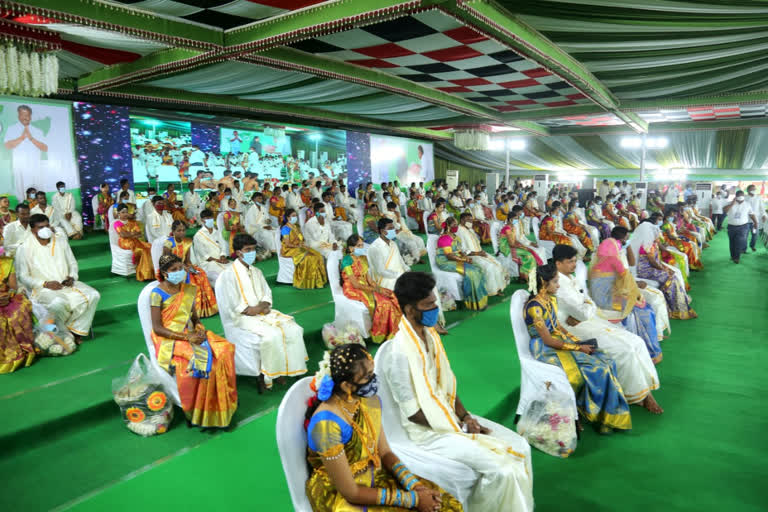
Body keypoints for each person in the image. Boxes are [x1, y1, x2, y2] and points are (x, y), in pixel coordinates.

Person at [382, 272, 533, 512]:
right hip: (428, 432)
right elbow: (412, 413)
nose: (435, 308)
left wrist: (466, 417)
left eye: (435, 302)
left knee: (520, 448)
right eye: (428, 305)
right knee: (502, 468)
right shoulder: (399, 353)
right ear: (410, 310)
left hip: (447, 419)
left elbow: (446, 388)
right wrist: (459, 426)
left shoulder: (429, 335)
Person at [305, 345, 462, 512]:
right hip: (343, 493)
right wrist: (413, 500)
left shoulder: (368, 400)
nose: (373, 380)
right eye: (367, 377)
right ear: (346, 386)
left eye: (372, 373)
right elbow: (350, 492)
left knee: (442, 504)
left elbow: (385, 452)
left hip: (376, 475)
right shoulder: (326, 426)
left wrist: (415, 486)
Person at [552, 245, 663, 412]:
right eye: (570, 262)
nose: (574, 265)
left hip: (588, 320)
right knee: (625, 349)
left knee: (636, 341)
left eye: (575, 261)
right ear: (558, 263)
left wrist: (585, 305)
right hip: (572, 328)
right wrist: (586, 305)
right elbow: (583, 309)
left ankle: (645, 391)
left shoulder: (569, 277)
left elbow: (585, 304)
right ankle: (639, 395)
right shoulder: (558, 282)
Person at [524, 263, 632, 434]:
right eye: (555, 282)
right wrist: (577, 348)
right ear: (544, 283)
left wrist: (577, 343)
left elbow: (556, 326)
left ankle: (603, 414)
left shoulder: (549, 299)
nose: (558, 285)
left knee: (607, 359)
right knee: (598, 368)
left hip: (559, 341)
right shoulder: (535, 307)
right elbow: (548, 339)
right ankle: (598, 417)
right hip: (546, 349)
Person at [150, 254, 237, 427]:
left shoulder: (188, 289)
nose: (179, 272)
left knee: (225, 350)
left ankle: (224, 402)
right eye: (173, 270)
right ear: (164, 273)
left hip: (190, 332)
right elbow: (157, 328)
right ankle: (202, 411)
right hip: (169, 338)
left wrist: (199, 330)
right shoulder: (157, 294)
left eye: (180, 268)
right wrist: (187, 337)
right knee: (206, 361)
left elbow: (195, 319)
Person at [218, 235, 308, 387]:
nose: (252, 252)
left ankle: (292, 368)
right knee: (272, 336)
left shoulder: (256, 271)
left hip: (263, 312)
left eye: (253, 249)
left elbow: (267, 293)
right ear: (238, 252)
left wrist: (262, 305)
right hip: (243, 318)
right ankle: (272, 374)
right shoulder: (227, 275)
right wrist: (253, 309)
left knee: (294, 329)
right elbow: (232, 304)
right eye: (248, 250)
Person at [16, 214, 100, 343]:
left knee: (94, 295)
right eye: (40, 227)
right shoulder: (24, 247)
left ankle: (74, 330)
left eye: (47, 226)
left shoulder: (61, 240)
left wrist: (72, 277)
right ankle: (66, 333)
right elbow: (23, 276)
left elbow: (72, 263)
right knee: (58, 303)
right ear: (32, 229)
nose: (45, 229)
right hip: (43, 289)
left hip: (67, 285)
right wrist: (45, 283)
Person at [589, 235, 661, 363]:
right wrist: (634, 295)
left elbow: (621, 284)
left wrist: (629, 293)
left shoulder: (597, 262)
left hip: (604, 299)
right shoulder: (612, 262)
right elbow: (625, 285)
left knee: (642, 305)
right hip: (607, 302)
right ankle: (651, 351)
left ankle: (650, 346)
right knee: (644, 310)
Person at [341, 235, 402, 343]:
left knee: (391, 295)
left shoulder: (363, 258)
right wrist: (376, 291)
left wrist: (378, 288)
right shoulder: (347, 261)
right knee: (383, 303)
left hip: (365, 285)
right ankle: (381, 334)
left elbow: (369, 279)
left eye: (362, 245)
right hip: (353, 288)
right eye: (358, 246)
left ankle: (394, 331)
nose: (361, 248)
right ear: (351, 248)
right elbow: (355, 284)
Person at [633, 222, 697, 320]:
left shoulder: (653, 243)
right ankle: (676, 308)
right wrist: (663, 269)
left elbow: (657, 260)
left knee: (674, 275)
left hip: (654, 268)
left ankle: (679, 304)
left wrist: (664, 268)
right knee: (670, 278)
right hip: (646, 270)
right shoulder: (646, 246)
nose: (656, 235)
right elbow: (652, 261)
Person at [162, 221, 218, 317]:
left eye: (183, 230)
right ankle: (192, 310)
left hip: (184, 267)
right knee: (191, 280)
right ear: (173, 231)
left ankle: (204, 309)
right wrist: (182, 267)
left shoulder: (187, 242)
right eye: (179, 231)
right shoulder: (168, 243)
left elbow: (187, 260)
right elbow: (166, 261)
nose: (182, 233)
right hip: (172, 269)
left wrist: (190, 267)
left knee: (201, 274)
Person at [436, 217, 488, 310]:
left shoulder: (456, 237)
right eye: (454, 225)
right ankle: (472, 302)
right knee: (471, 273)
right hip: (446, 262)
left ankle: (480, 298)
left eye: (456, 224)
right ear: (448, 226)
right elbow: (449, 255)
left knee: (478, 268)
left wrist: (465, 257)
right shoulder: (444, 238)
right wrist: (464, 260)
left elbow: (459, 251)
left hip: (457, 259)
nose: (456, 227)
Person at [0, 246, 36, 373]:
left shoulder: (7, 262)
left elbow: (13, 287)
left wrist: (8, 296)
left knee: (19, 311)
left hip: (5, 298)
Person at [456, 212, 509, 296]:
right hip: (471, 256)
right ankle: (490, 290)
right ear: (462, 220)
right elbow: (462, 250)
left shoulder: (470, 229)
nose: (470, 221)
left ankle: (498, 288)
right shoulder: (459, 231)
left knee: (498, 264)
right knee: (489, 267)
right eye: (468, 220)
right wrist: (478, 253)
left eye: (471, 219)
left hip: (479, 253)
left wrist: (481, 252)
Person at [3, 104, 48, 201]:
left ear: (30, 116)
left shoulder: (37, 130)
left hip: (35, 166)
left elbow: (45, 148)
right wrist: (22, 138)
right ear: (18, 116)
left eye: (27, 115)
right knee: (21, 191)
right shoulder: (12, 129)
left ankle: (38, 209)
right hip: (20, 166)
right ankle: (24, 209)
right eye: (22, 115)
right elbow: (7, 146)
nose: (25, 117)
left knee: (37, 190)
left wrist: (31, 138)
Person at [280, 209, 328, 289]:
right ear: (288, 218)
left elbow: (301, 239)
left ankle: (318, 281)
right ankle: (306, 283)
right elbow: (287, 243)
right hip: (289, 249)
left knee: (318, 255)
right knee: (309, 258)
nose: (295, 218)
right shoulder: (285, 228)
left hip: (299, 246)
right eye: (293, 216)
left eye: (296, 216)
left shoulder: (296, 226)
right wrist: (299, 246)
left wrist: (303, 244)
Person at [368, 217, 411, 292]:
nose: (393, 231)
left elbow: (400, 260)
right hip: (386, 280)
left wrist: (407, 269)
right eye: (390, 229)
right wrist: (400, 275)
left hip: (399, 275)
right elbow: (381, 271)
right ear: (382, 231)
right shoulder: (375, 248)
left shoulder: (393, 243)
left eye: (393, 228)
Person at [113, 204, 154, 281]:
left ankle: (151, 272)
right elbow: (123, 235)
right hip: (125, 242)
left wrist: (130, 234)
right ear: (118, 213)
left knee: (150, 247)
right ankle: (143, 274)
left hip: (135, 240)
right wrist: (133, 234)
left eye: (126, 212)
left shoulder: (132, 222)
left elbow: (139, 233)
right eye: (122, 212)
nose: (125, 214)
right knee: (143, 250)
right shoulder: (117, 223)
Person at [192, 209, 231, 285]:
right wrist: (218, 260)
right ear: (202, 220)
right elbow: (204, 255)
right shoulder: (198, 235)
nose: (209, 220)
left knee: (234, 269)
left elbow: (223, 245)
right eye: (207, 218)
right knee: (224, 274)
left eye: (211, 218)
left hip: (220, 260)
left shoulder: (216, 231)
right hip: (207, 263)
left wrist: (223, 256)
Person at [384, 201, 426, 266]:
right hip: (397, 233)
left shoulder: (397, 214)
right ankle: (416, 259)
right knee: (411, 243)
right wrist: (397, 217)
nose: (393, 210)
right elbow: (396, 227)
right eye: (391, 209)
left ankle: (417, 257)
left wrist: (398, 217)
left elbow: (402, 225)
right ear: (388, 209)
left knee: (419, 240)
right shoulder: (386, 216)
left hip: (406, 231)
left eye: (394, 208)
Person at [723, 190, 758, 264]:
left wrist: (755, 222)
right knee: (732, 242)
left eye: (742, 195)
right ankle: (733, 256)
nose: (740, 197)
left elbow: (751, 214)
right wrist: (732, 203)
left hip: (743, 227)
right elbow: (724, 210)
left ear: (744, 196)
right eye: (739, 195)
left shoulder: (747, 204)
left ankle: (737, 257)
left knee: (739, 242)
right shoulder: (730, 204)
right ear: (736, 196)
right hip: (731, 227)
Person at [745, 184, 766, 252]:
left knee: (755, 234)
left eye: (754, 189)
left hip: (755, 222)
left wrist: (764, 215)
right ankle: (743, 248)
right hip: (746, 221)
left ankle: (752, 245)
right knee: (745, 235)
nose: (753, 190)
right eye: (752, 189)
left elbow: (762, 207)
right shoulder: (745, 198)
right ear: (748, 190)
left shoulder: (758, 198)